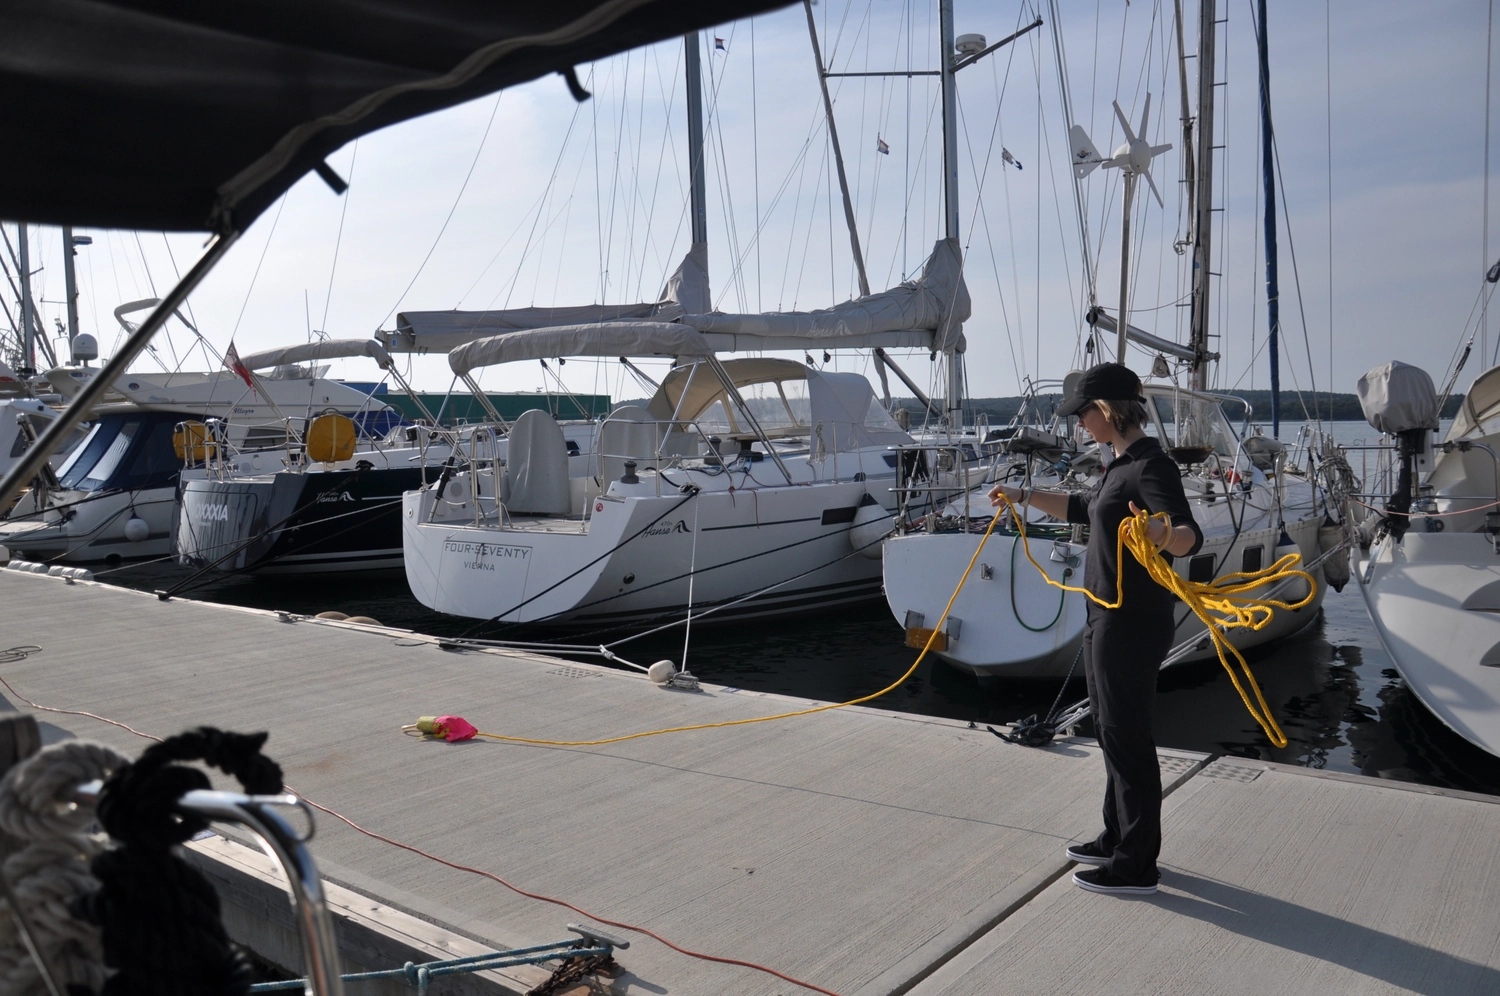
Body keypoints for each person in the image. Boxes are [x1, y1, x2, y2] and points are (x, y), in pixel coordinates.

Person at [988, 363, 1202, 896]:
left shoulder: (1151, 466)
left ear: (1105, 410)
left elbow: (1189, 536)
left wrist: (1159, 533)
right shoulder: (1118, 466)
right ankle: (1116, 837)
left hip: (1130, 623)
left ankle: (1136, 866)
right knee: (1110, 730)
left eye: (1083, 413)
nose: (1079, 423)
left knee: (1127, 738)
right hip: (1104, 617)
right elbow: (1083, 506)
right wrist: (1022, 495)